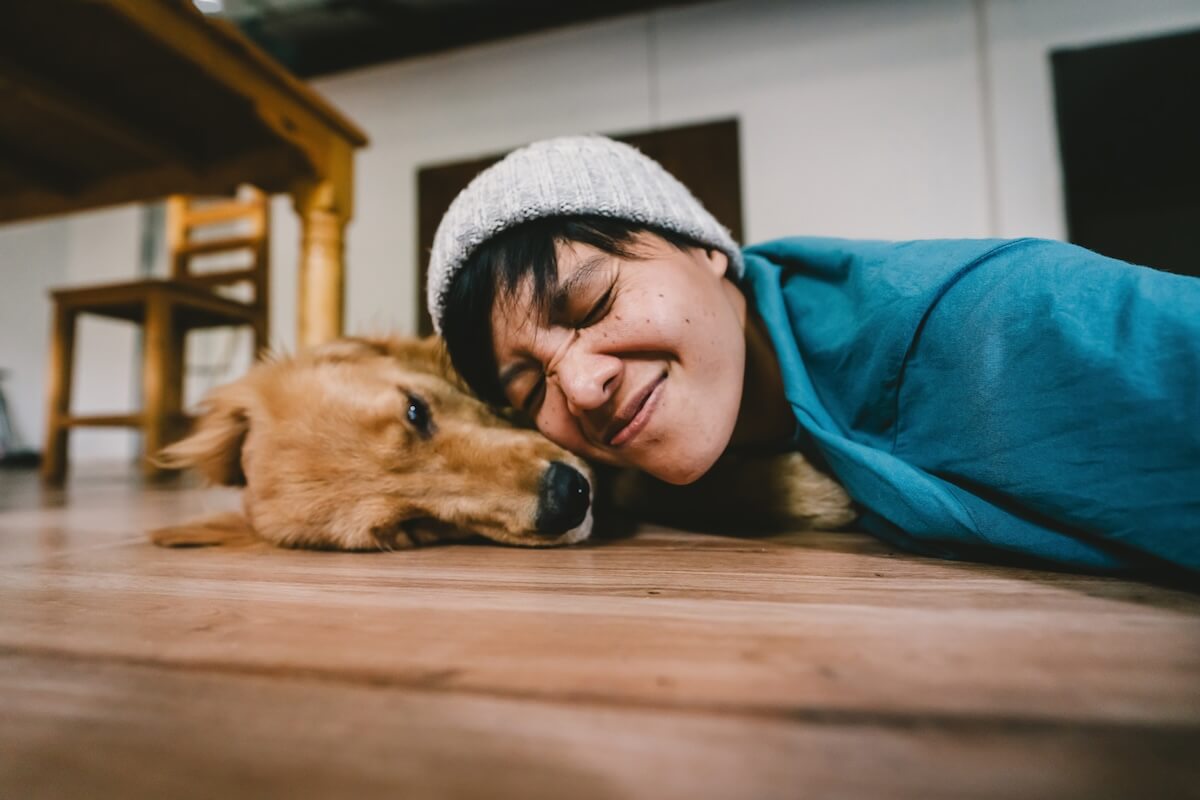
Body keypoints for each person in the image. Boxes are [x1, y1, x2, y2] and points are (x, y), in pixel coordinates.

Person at [427, 135, 1200, 576]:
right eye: (532, 390)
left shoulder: (992, 319)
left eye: (595, 304)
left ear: (706, 248)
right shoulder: (643, 458)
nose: (585, 385)